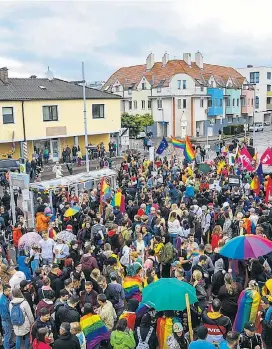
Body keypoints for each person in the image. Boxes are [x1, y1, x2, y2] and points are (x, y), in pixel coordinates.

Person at [0, 284, 14, 349]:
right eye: (8, 291)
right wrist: (11, 319)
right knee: (7, 336)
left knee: (9, 334)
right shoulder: (4, 302)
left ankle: (10, 344)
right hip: (6, 321)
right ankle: (6, 347)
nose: (10, 292)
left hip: (7, 320)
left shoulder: (5, 297)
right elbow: (5, 315)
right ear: (4, 291)